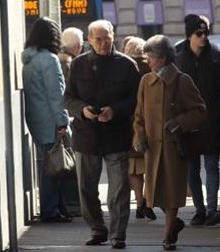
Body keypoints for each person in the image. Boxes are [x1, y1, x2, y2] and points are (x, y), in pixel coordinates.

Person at [64, 20, 141, 249]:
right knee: (86, 188)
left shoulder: (127, 65)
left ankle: (118, 235)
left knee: (119, 190)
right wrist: (83, 111)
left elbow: (136, 99)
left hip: (116, 135)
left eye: (107, 37)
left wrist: (115, 110)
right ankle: (97, 228)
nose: (103, 43)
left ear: (113, 36)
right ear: (89, 40)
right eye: (98, 39)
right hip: (86, 136)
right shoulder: (78, 65)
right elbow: (68, 98)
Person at [132, 35, 208, 251]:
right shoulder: (145, 81)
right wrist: (138, 135)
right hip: (152, 148)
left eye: (151, 57)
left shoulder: (182, 80)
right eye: (146, 56)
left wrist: (179, 123)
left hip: (173, 147)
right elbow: (138, 115)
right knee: (155, 194)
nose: (148, 61)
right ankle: (173, 224)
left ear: (164, 58)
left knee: (172, 192)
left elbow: (200, 110)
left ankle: (168, 236)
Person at [175, 15, 220, 226]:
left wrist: (214, 112)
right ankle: (199, 210)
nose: (203, 37)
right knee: (192, 168)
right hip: (189, 122)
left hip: (212, 120)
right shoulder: (179, 60)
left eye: (205, 33)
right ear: (189, 35)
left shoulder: (218, 59)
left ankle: (211, 209)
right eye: (198, 34)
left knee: (212, 165)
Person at [21, 17, 72, 223]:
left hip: (35, 117)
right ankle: (50, 209)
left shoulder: (29, 60)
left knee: (49, 163)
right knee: (53, 166)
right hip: (50, 119)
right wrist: (62, 122)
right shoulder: (50, 60)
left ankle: (58, 206)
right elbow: (56, 94)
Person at [122, 37, 156, 220]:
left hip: (129, 122)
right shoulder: (151, 68)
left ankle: (139, 203)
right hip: (149, 121)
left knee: (134, 168)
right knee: (150, 164)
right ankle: (148, 199)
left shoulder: (124, 67)